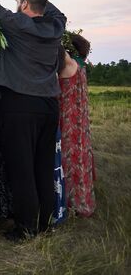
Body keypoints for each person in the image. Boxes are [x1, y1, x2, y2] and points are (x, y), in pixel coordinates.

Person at [0, 0, 66, 240]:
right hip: (49, 105)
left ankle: (26, 227)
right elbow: (56, 11)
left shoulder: (17, 24)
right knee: (42, 165)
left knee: (21, 168)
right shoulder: (55, 27)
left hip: (20, 105)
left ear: (24, 5)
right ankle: (46, 221)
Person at [58, 36, 95, 217]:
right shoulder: (81, 66)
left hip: (67, 117)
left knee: (68, 156)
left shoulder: (69, 65)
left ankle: (70, 201)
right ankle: (83, 199)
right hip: (80, 118)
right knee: (80, 154)